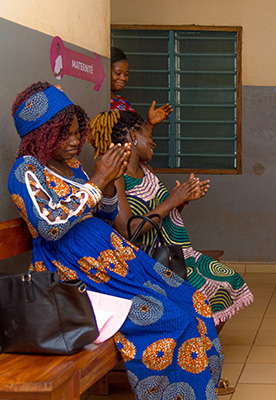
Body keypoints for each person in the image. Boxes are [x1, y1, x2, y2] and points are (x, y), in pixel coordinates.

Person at [8, 82, 223, 399]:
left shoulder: (74, 168)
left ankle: (201, 391)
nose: (74, 141)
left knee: (195, 303)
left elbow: (105, 215)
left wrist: (107, 184)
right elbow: (50, 225)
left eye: (76, 132)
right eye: (63, 134)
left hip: (118, 262)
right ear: (41, 134)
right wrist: (97, 181)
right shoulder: (27, 171)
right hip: (78, 276)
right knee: (172, 319)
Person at [89, 110, 254, 327]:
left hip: (173, 252)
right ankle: (198, 343)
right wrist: (172, 201)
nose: (153, 144)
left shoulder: (146, 170)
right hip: (146, 259)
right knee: (202, 293)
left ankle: (201, 342)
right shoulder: (116, 177)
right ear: (133, 135)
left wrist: (183, 200)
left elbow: (162, 218)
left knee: (227, 280)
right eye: (150, 136)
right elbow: (128, 231)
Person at [110, 47, 173, 130]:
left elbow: (140, 137)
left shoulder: (123, 102)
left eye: (126, 74)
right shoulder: (99, 103)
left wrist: (150, 123)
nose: (123, 78)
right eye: (118, 73)